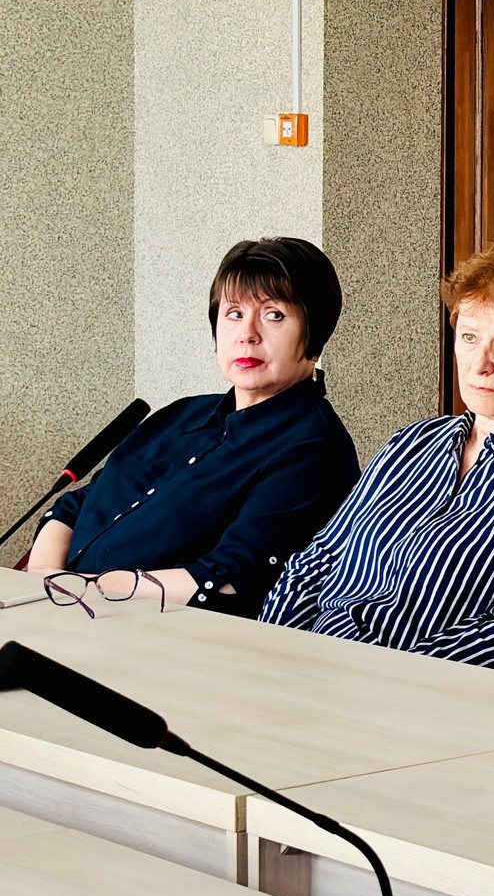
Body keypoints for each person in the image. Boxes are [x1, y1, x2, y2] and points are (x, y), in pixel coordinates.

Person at [261, 235, 494, 680]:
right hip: (313, 673)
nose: (479, 364)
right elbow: (314, 564)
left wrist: (378, 676)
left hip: (424, 697)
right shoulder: (413, 443)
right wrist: (274, 653)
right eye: (469, 338)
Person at [26, 238, 358, 616]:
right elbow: (79, 504)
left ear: (315, 333)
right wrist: (44, 579)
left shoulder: (314, 448)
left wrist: (89, 589)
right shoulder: (180, 414)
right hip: (58, 609)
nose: (247, 334)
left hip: (148, 631)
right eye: (234, 313)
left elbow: (231, 578)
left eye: (274, 315)